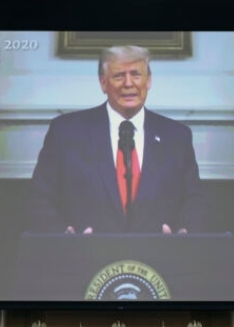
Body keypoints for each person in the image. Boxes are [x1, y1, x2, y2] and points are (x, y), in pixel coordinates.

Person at [27, 45, 207, 236]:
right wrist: (62, 235)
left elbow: (194, 199)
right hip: (86, 251)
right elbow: (39, 198)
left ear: (148, 80)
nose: (128, 83)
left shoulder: (176, 136)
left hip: (157, 252)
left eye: (136, 74)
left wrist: (184, 232)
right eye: (119, 76)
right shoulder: (66, 132)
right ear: (103, 83)